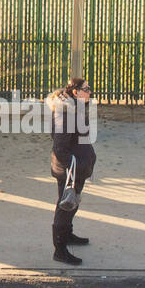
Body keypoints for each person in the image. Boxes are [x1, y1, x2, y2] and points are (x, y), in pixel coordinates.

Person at [49, 77, 96, 266]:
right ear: (75, 92)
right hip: (70, 171)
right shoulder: (66, 113)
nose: (90, 92)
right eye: (87, 88)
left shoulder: (74, 107)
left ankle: (67, 235)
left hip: (77, 168)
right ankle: (60, 250)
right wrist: (73, 167)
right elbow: (60, 147)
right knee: (65, 206)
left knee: (72, 203)